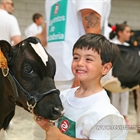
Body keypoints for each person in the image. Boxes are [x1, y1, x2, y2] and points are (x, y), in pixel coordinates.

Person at [35, 33, 128, 140]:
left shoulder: (104, 113)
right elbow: (58, 129)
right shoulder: (64, 96)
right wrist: (46, 125)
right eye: (76, 57)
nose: (80, 63)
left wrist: (60, 138)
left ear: (106, 68)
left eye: (88, 59)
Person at [110, 23, 131, 126]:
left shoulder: (128, 47)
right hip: (114, 75)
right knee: (115, 96)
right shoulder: (112, 44)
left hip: (126, 76)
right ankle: (114, 119)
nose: (129, 34)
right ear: (120, 33)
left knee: (125, 96)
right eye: (127, 32)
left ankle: (124, 118)